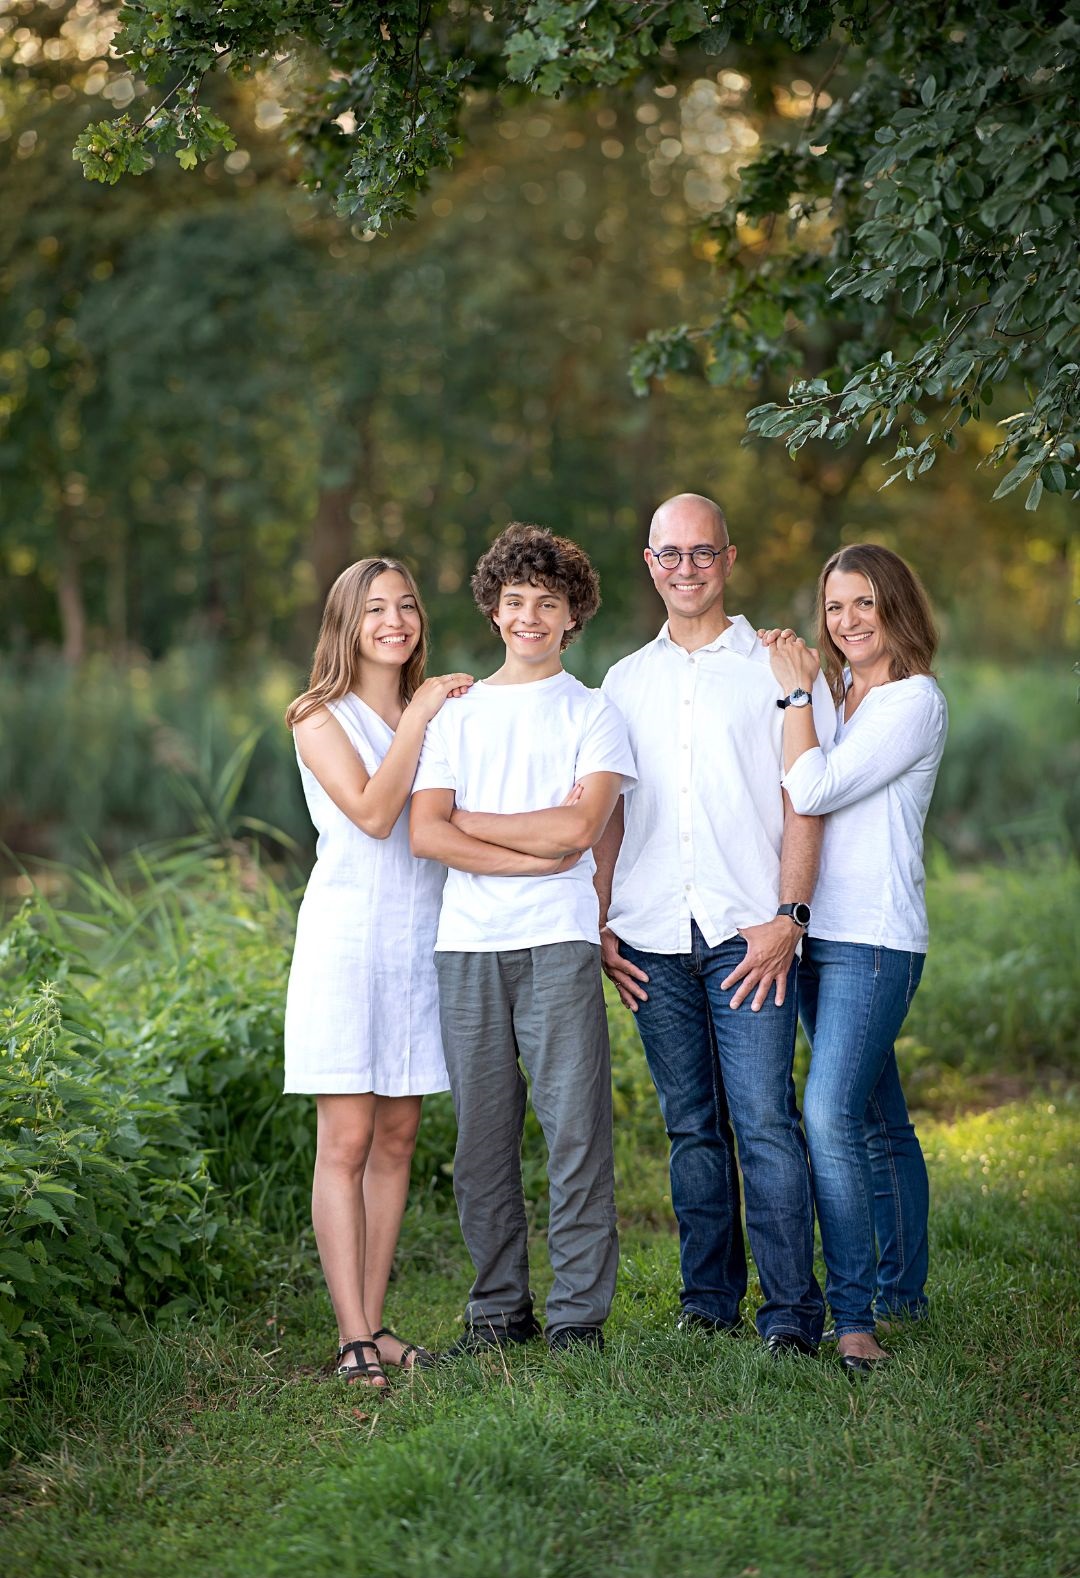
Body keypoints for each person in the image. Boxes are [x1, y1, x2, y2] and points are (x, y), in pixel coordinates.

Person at [595, 492, 831, 1356]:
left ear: (729, 560)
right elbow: (609, 818)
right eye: (670, 554)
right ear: (648, 563)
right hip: (651, 936)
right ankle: (707, 1300)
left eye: (703, 553)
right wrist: (601, 923)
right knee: (691, 1125)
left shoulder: (779, 670)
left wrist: (789, 917)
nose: (686, 569)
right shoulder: (623, 681)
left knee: (765, 1121)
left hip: (749, 938)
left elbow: (805, 803)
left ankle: (791, 1315)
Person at [410, 522, 636, 1355]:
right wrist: (527, 849)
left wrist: (476, 823)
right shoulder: (455, 716)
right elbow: (427, 835)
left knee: (574, 1133)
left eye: (549, 602)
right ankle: (497, 1313)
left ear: (573, 615)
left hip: (559, 940)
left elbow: (580, 827)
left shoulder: (595, 712)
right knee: (481, 1141)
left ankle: (578, 1318)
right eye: (516, 602)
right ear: (493, 612)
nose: (531, 616)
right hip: (467, 944)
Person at [283, 557, 474, 1389]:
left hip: (420, 943)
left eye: (406, 606)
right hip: (347, 942)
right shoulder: (318, 715)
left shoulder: (441, 713)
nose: (394, 621)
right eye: (375, 610)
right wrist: (423, 713)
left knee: (398, 1138)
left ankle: (376, 1318)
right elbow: (371, 812)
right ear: (347, 625)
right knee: (349, 1139)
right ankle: (350, 1333)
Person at [762, 543, 947, 1373]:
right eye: (835, 608)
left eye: (864, 604)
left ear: (896, 606)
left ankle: (856, 1313)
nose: (848, 622)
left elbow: (812, 790)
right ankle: (903, 1286)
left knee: (831, 1115)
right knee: (877, 1119)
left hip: (874, 938)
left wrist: (796, 689)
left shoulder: (913, 701)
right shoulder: (841, 693)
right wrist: (809, 689)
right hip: (819, 934)